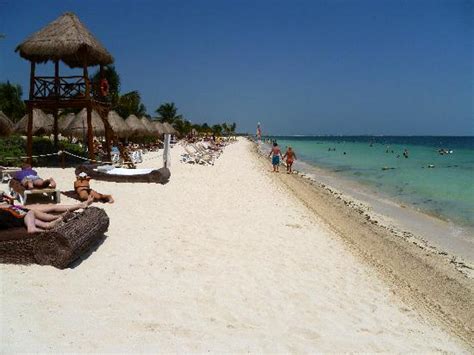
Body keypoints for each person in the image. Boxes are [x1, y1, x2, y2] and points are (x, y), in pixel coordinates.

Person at [0, 194, 93, 233]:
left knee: (49, 207)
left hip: (17, 208)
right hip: (17, 209)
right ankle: (78, 206)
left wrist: (7, 200)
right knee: (48, 208)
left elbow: (10, 202)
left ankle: (52, 222)